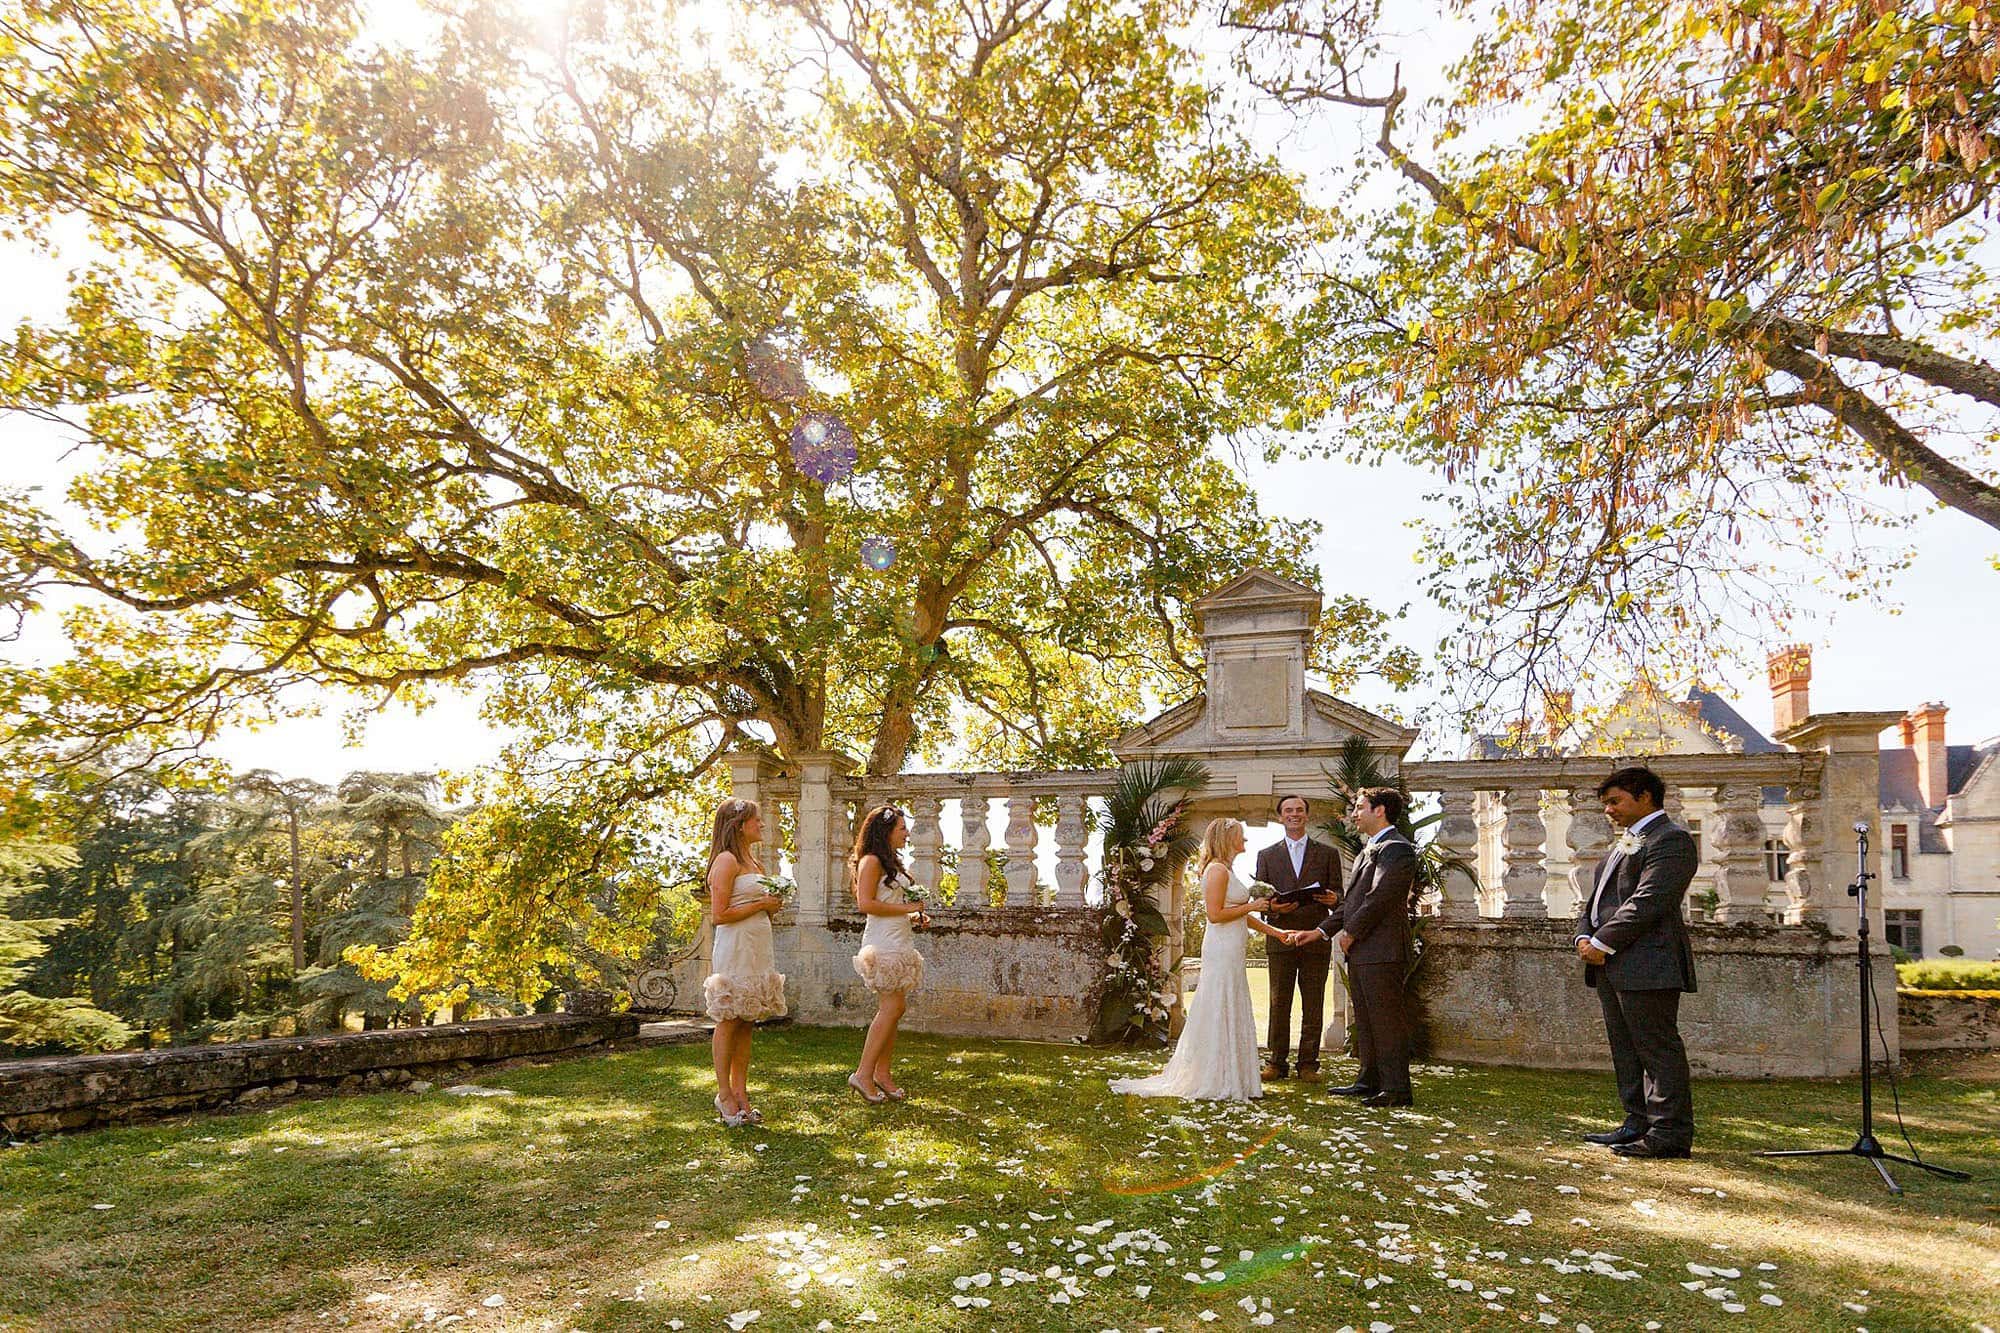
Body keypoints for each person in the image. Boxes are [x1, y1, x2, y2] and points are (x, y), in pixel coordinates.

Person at [1109, 818, 1291, 1101]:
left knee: (1230, 999)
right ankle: (1214, 1076)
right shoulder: (1216, 870)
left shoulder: (1227, 869)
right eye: (1241, 836)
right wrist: (1254, 905)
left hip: (1233, 947)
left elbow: (1241, 914)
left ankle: (1233, 1075)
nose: (1245, 841)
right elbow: (1215, 915)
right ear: (1226, 839)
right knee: (1219, 1002)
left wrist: (1275, 932)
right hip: (1221, 948)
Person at [1575, 766, 1699, 1159]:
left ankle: (1669, 1134)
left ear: (1645, 796)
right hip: (1610, 963)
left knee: (1656, 1049)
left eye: (1615, 801)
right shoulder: (1624, 843)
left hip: (1648, 961)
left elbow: (1650, 901)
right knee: (1625, 1047)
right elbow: (1596, 900)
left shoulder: (1672, 840)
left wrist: (1602, 941)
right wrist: (1583, 934)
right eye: (1606, 803)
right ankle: (1636, 1122)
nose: (1609, 810)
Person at [1292, 787, 1417, 1108]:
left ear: (1381, 811)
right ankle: (1369, 1080)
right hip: (1363, 951)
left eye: (1360, 807)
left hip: (1384, 950)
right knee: (1366, 1017)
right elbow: (1351, 904)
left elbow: (1381, 897)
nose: (1354, 814)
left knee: (1386, 1019)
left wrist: (1350, 932)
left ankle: (1397, 1089)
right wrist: (1319, 931)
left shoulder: (1398, 850)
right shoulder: (1367, 851)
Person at [702, 797, 786, 1127]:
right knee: (730, 1019)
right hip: (735, 948)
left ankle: (741, 1092)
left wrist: (771, 906)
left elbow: (757, 904)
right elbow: (719, 914)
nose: (762, 825)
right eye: (756, 821)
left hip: (757, 947)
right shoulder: (725, 861)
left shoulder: (754, 862)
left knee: (748, 1020)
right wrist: (761, 904)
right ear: (739, 825)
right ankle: (724, 1094)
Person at [1254, 794, 1343, 1082]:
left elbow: (1340, 900)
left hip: (1315, 938)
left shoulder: (1328, 854)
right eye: (1288, 810)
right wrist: (1274, 909)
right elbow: (1260, 901)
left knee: (1313, 1003)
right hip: (1280, 938)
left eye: (1300, 810)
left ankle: (1308, 1064)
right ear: (1280, 817)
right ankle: (1276, 1063)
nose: (1294, 814)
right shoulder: (1266, 855)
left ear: (1307, 815)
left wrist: (1333, 898)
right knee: (1279, 1002)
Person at [848, 804, 929, 1103]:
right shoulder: (870, 861)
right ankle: (863, 1074)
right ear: (886, 832)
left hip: (900, 939)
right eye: (902, 828)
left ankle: (882, 1073)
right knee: (891, 1008)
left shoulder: (892, 863)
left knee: (897, 1008)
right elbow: (865, 904)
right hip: (882, 943)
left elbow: (890, 902)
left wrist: (912, 917)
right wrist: (908, 908)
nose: (907, 833)